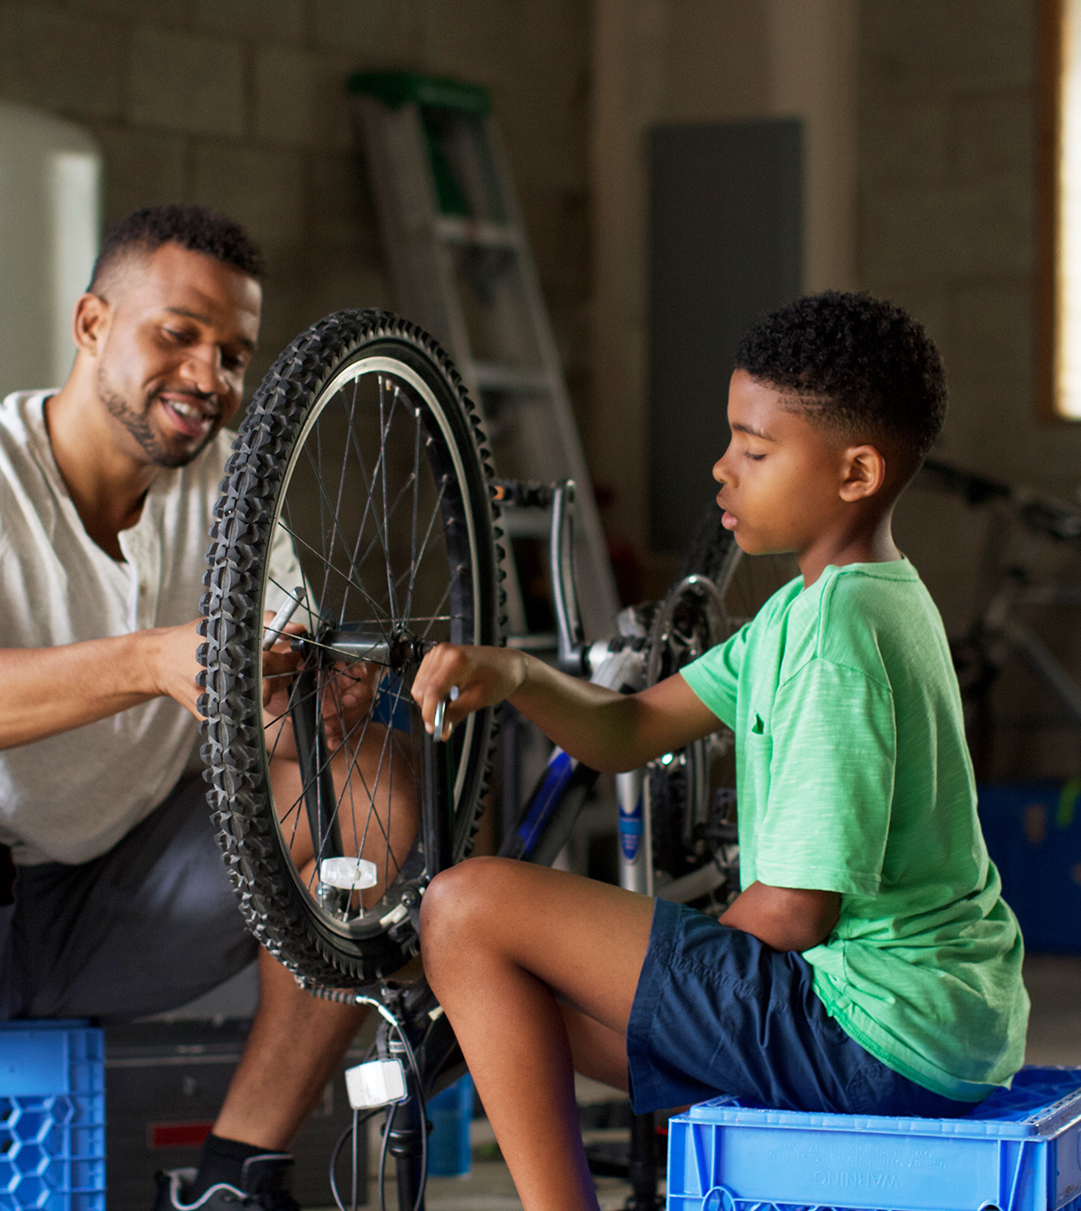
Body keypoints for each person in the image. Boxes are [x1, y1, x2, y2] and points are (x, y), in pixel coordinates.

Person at [0, 205, 382, 1211]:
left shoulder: (231, 492)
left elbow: (270, 730)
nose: (209, 377)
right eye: (176, 333)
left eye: (233, 353)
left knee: (372, 786)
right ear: (92, 323)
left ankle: (235, 1176)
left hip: (105, 907)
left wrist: (317, 702)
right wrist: (144, 662)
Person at [409, 292, 1029, 1211]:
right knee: (507, 993)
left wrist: (667, 993)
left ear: (856, 472)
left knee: (465, 908)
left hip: (877, 1036)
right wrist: (519, 677)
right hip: (932, 1027)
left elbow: (795, 912)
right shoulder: (810, 609)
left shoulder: (840, 643)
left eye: (755, 449)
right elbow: (627, 732)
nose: (722, 470)